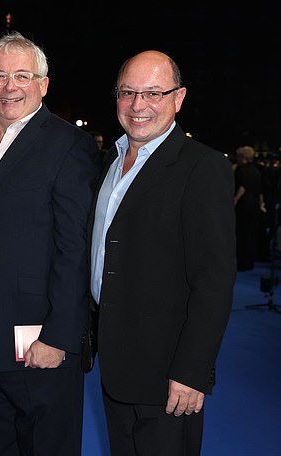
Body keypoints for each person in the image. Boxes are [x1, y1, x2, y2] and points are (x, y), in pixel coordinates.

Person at [0, 31, 101, 455]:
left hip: (37, 345)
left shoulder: (69, 145)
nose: (10, 86)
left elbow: (75, 248)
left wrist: (60, 337)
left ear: (43, 84)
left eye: (22, 75)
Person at [89, 50, 236, 456]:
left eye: (153, 92)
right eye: (128, 92)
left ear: (179, 97)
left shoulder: (202, 167)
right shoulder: (110, 161)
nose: (138, 106)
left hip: (168, 372)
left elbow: (214, 278)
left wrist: (192, 371)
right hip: (115, 364)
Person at [233, 145, 264, 271]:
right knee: (251, 233)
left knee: (241, 233)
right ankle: (250, 262)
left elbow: (243, 186)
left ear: (243, 157)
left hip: (243, 205)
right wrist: (261, 204)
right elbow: (260, 190)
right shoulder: (257, 171)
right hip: (254, 205)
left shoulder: (241, 170)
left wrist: (235, 199)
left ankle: (241, 263)